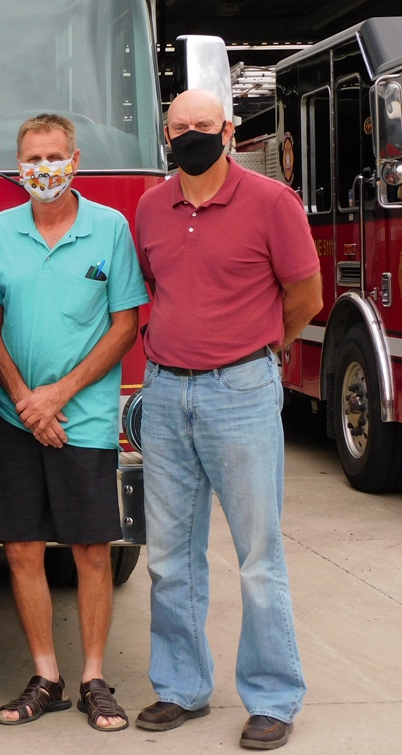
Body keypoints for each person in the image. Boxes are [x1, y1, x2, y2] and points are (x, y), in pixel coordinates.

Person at [134, 89, 321, 750]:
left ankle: (272, 697)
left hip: (240, 391)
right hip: (165, 393)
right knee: (169, 556)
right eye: (180, 126)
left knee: (257, 557)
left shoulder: (272, 202)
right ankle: (181, 687)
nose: (191, 134)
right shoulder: (150, 207)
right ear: (166, 135)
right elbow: (157, 286)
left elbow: (306, 295)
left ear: (229, 130)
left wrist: (261, 350)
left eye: (204, 125)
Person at [0, 114, 149, 732]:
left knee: (91, 549)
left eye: (54, 157)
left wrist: (58, 397)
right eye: (33, 158)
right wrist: (26, 400)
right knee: (21, 548)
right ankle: (46, 676)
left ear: (75, 161)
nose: (43, 169)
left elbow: (125, 325)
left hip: (85, 419)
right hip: (14, 416)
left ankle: (93, 679)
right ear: (18, 164)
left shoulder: (111, 228)